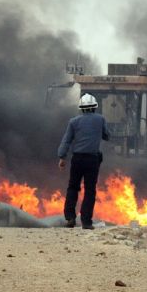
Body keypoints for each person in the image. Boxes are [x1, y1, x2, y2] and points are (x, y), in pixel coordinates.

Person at [57, 93, 110, 229]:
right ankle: (86, 222)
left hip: (77, 159)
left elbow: (66, 140)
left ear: (81, 108)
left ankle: (70, 218)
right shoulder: (100, 119)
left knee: (73, 187)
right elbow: (107, 135)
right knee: (90, 190)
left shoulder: (73, 122)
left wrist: (62, 157)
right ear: (94, 107)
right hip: (92, 159)